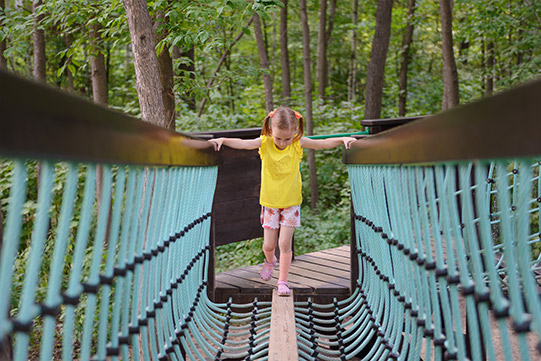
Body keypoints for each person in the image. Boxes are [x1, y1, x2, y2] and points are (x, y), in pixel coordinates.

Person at [209, 106, 356, 296]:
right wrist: (223, 140)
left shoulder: (296, 143)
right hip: (270, 203)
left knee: (284, 243)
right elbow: (243, 143)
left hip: (291, 203)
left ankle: (282, 282)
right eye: (279, 138)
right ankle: (269, 261)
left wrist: (343, 139)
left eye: (287, 138)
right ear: (271, 130)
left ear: (295, 132)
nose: (283, 142)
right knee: (269, 246)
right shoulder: (265, 142)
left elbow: (323, 144)